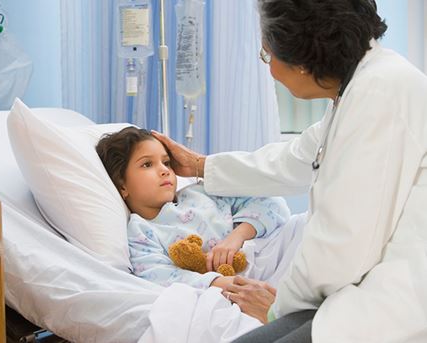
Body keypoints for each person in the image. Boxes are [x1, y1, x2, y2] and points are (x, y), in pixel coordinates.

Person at [152, 0, 427, 342]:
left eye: (268, 55)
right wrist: (200, 166)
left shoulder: (380, 93)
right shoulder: (363, 87)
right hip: (358, 298)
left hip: (393, 308)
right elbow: (295, 161)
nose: (270, 70)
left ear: (303, 59)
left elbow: (341, 246)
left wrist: (275, 307)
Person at [96, 126, 293, 291]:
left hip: (270, 253)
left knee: (304, 224)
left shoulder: (201, 192)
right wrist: (222, 283)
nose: (165, 170)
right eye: (147, 164)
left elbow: (272, 203)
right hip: (242, 285)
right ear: (122, 185)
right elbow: (158, 276)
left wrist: (237, 236)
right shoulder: (141, 231)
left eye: (166, 163)